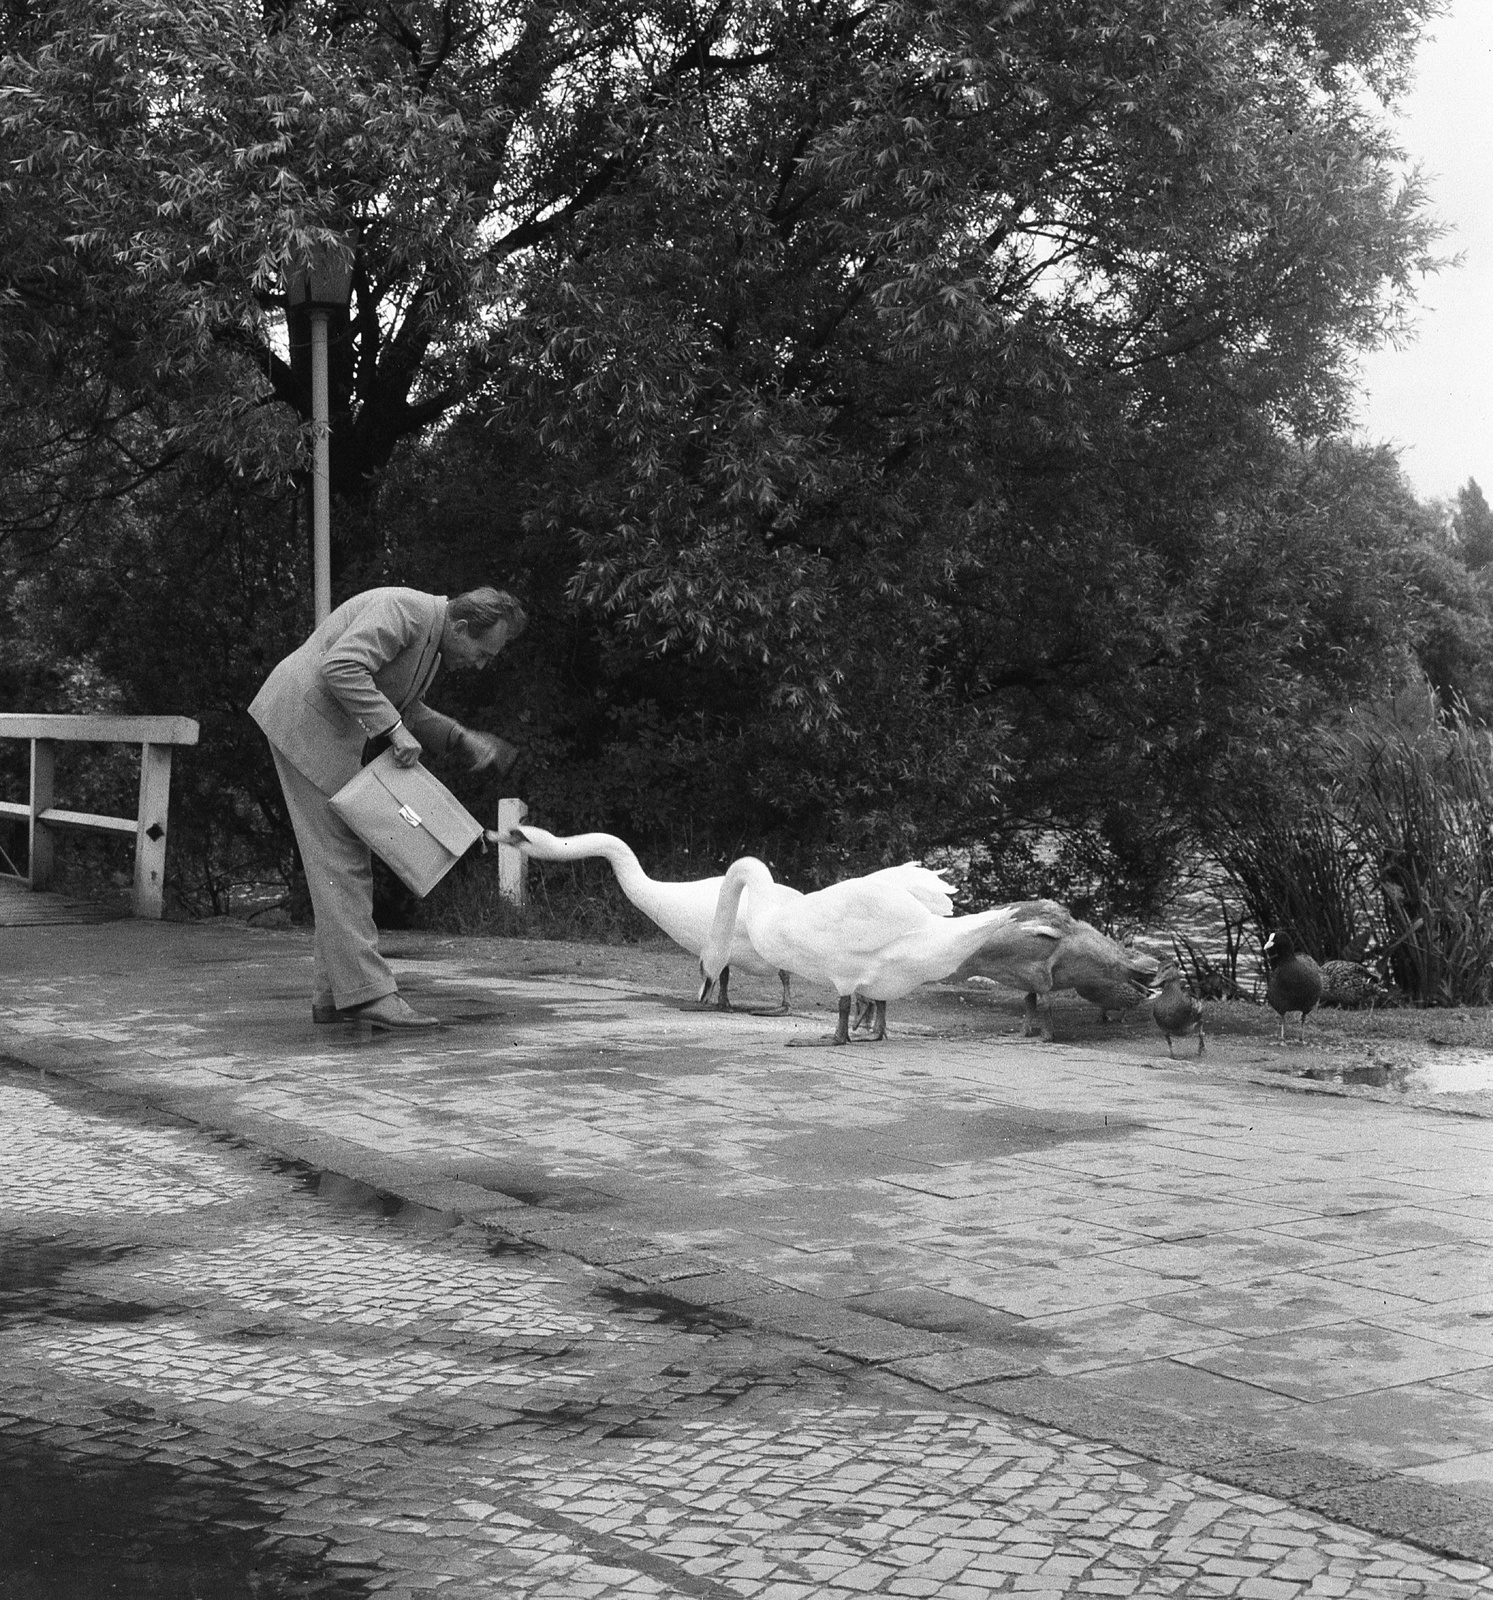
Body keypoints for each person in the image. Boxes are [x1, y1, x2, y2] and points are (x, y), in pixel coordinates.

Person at [250, 585, 526, 1029]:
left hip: (321, 730)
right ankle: (370, 994)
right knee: (342, 859)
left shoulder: (431, 640)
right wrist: (394, 731)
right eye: (481, 652)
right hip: (303, 722)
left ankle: (335, 996)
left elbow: (403, 704)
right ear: (459, 627)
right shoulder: (406, 611)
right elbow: (340, 666)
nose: (479, 664)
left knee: (338, 861)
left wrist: (459, 736)